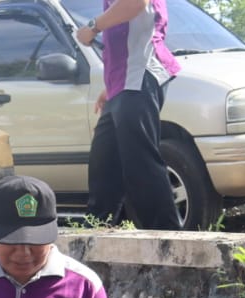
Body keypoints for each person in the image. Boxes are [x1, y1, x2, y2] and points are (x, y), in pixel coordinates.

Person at [74, 0, 182, 229]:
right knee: (104, 164)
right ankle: (96, 239)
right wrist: (110, 87)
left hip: (139, 75)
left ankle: (168, 242)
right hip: (123, 83)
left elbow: (136, 3)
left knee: (140, 164)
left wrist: (93, 27)